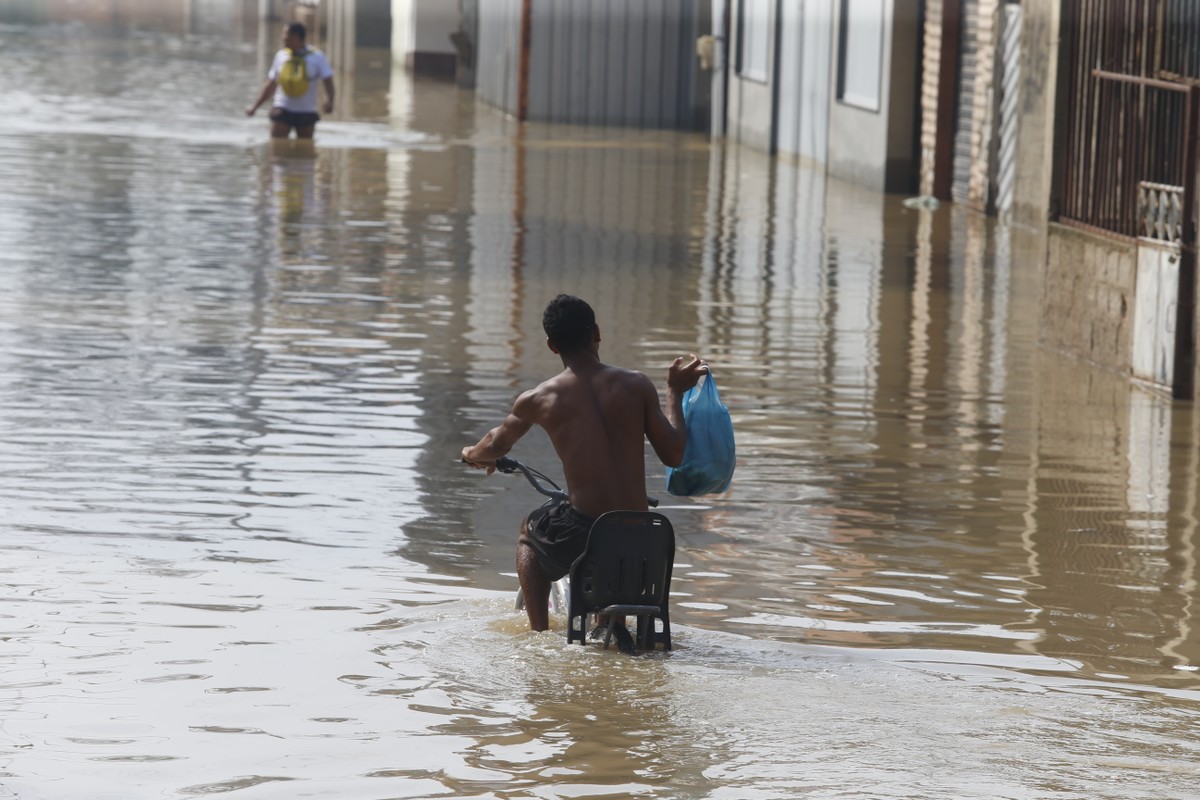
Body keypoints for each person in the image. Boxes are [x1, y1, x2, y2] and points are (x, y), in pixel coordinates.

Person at [461, 294, 708, 635]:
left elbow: (495, 443)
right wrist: (674, 392)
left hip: (585, 529)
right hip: (644, 533)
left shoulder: (540, 398)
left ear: (551, 345)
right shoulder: (636, 385)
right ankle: (614, 623)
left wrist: (471, 455)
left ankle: (538, 634)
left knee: (528, 537)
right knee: (617, 534)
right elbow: (674, 455)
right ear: (597, 333)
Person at [246, 22, 335, 140]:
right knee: (276, 148)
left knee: (305, 152)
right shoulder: (281, 55)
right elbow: (271, 84)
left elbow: (328, 80)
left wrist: (330, 101)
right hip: (282, 108)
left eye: (285, 34)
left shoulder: (317, 56)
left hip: (306, 111)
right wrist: (255, 107)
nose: (283, 38)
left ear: (296, 37)